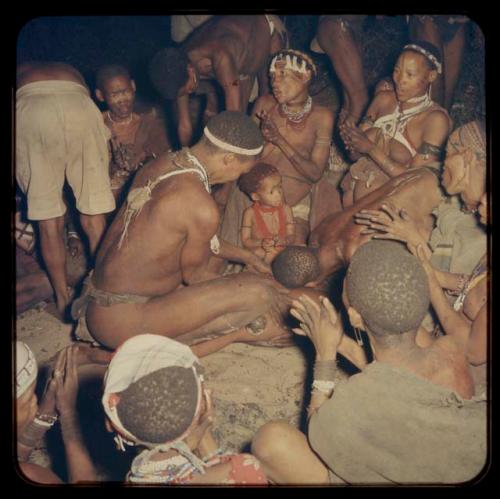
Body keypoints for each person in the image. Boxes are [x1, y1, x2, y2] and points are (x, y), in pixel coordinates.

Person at [251, 240, 486, 484]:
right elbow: (401, 377)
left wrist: (325, 354)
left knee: (270, 440)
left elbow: (319, 430)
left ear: (354, 317)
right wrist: (339, 342)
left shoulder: (355, 403)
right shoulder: (452, 352)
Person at [71, 111, 289, 350]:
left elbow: (202, 237)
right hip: (124, 319)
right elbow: (195, 277)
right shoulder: (200, 204)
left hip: (100, 301)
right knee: (259, 294)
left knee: (225, 272)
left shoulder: (163, 163)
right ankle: (112, 358)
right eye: (242, 170)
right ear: (228, 159)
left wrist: (247, 256)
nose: (238, 178)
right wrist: (251, 282)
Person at [353, 122, 488, 365]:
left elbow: (474, 352)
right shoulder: (466, 216)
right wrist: (411, 237)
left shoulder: (475, 235)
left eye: (447, 154)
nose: (442, 163)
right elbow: (467, 285)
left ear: (467, 156)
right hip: (445, 340)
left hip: (459, 365)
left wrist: (426, 272)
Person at [16, 62, 115, 318]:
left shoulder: (23, 71)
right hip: (79, 105)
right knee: (94, 216)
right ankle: (107, 294)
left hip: (32, 109)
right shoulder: (68, 68)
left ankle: (62, 299)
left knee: (49, 220)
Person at [102, 334, 268, 484]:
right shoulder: (244, 472)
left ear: (110, 425)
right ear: (205, 403)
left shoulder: (135, 479)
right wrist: (204, 433)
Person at [219, 49, 336, 256]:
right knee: (229, 252)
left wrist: (279, 140)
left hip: (293, 206)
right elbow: (243, 158)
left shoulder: (322, 117)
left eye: (283, 74)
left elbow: (315, 173)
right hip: (253, 200)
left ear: (306, 75)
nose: (275, 82)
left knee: (293, 261)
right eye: (272, 76)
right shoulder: (265, 104)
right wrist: (264, 143)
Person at [340, 41, 452, 207]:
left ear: (431, 76)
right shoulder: (382, 100)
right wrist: (351, 141)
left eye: (410, 74)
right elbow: (354, 156)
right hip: (354, 194)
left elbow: (416, 179)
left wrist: (371, 149)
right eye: (397, 71)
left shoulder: (435, 120)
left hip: (397, 206)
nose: (400, 81)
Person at [149, 15, 288, 147]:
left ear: (190, 70)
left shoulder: (221, 57)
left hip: (266, 30)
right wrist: (188, 159)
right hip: (240, 56)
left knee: (267, 102)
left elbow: (234, 118)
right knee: (245, 118)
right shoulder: (177, 66)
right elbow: (184, 125)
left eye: (188, 89)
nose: (189, 92)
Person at [16, 342, 98, 483]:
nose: (36, 402)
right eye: (29, 400)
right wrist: (69, 417)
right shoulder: (28, 473)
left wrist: (42, 419)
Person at [95, 64, 171, 204]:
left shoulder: (148, 123)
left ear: (133, 86)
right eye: (115, 95)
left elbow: (164, 159)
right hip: (105, 198)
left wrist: (140, 159)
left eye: (125, 91)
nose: (123, 99)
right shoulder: (95, 124)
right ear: (100, 96)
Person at [311, 15, 369, 130]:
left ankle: (345, 144)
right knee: (360, 100)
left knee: (349, 103)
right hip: (337, 26)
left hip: (348, 27)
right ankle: (357, 144)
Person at [239, 163, 296, 264]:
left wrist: (284, 241)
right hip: (261, 251)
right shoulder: (250, 213)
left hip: (282, 250)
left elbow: (291, 236)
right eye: (272, 192)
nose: (279, 194)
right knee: (255, 254)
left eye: (280, 188)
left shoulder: (286, 209)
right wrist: (261, 243)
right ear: (256, 196)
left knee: (300, 250)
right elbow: (246, 241)